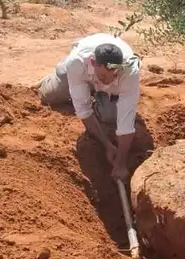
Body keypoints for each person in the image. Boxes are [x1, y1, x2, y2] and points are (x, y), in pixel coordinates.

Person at [38, 33, 141, 180]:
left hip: (107, 86)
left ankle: (95, 92)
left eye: (114, 75)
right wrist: (106, 144)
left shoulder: (130, 71)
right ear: (93, 63)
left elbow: (126, 124)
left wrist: (121, 162)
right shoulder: (77, 63)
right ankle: (55, 77)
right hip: (79, 72)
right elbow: (83, 110)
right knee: (49, 96)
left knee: (110, 116)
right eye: (104, 76)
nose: (110, 79)